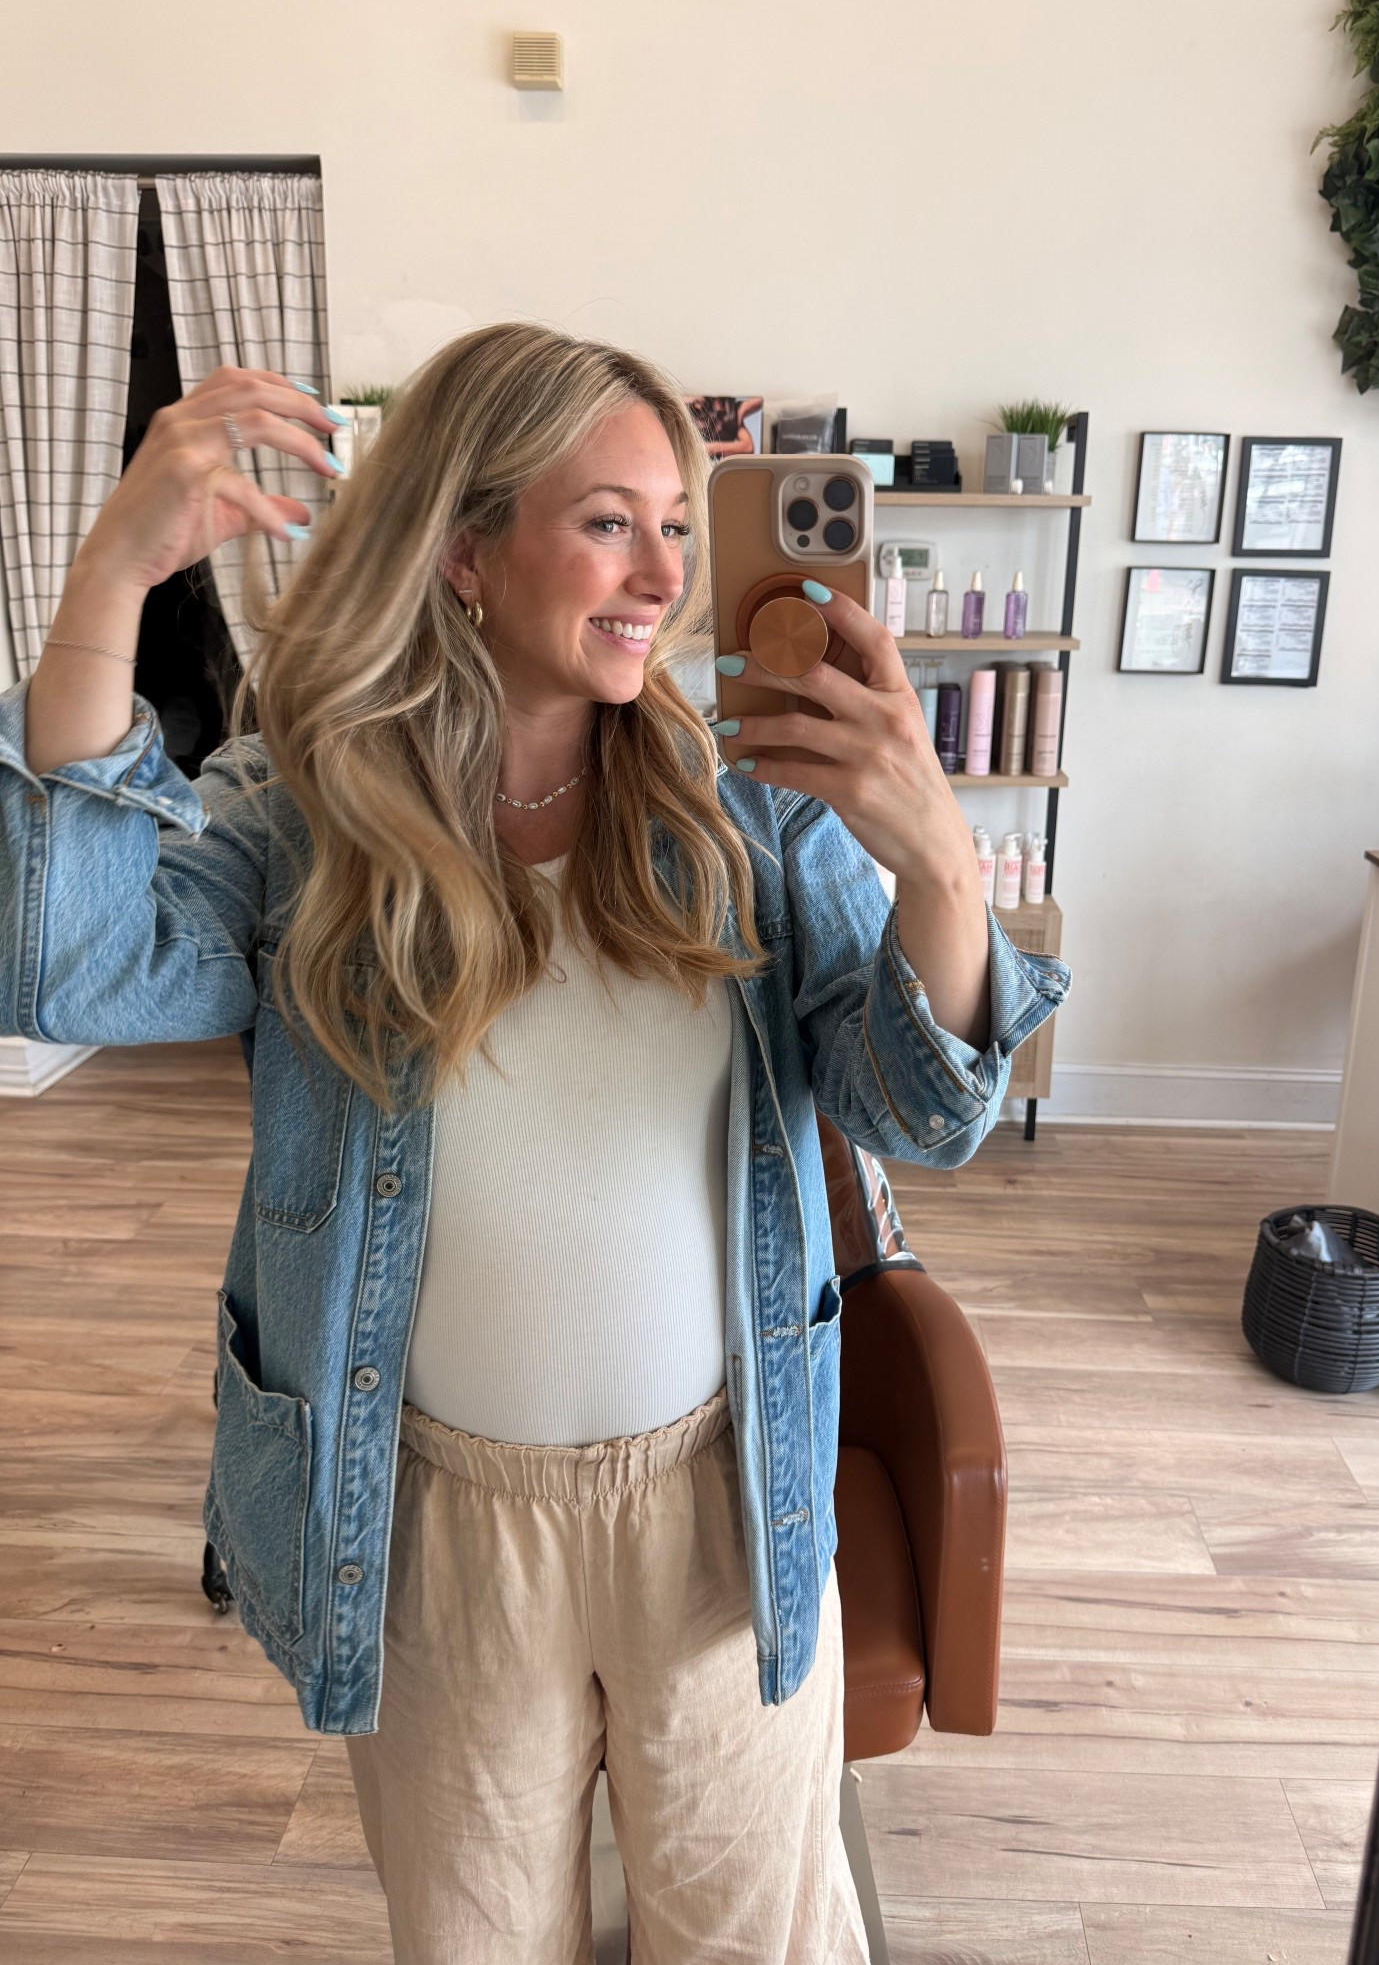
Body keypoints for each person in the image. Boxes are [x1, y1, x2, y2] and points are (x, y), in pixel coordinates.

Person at [0, 322, 1070, 1963]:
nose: (665, 574)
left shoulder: (750, 809)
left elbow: (922, 1111)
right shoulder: (310, 819)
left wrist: (936, 861)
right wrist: (111, 579)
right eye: (609, 521)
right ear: (466, 551)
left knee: (754, 1940)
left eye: (676, 522)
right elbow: (68, 968)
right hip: (435, 1530)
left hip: (722, 1511)